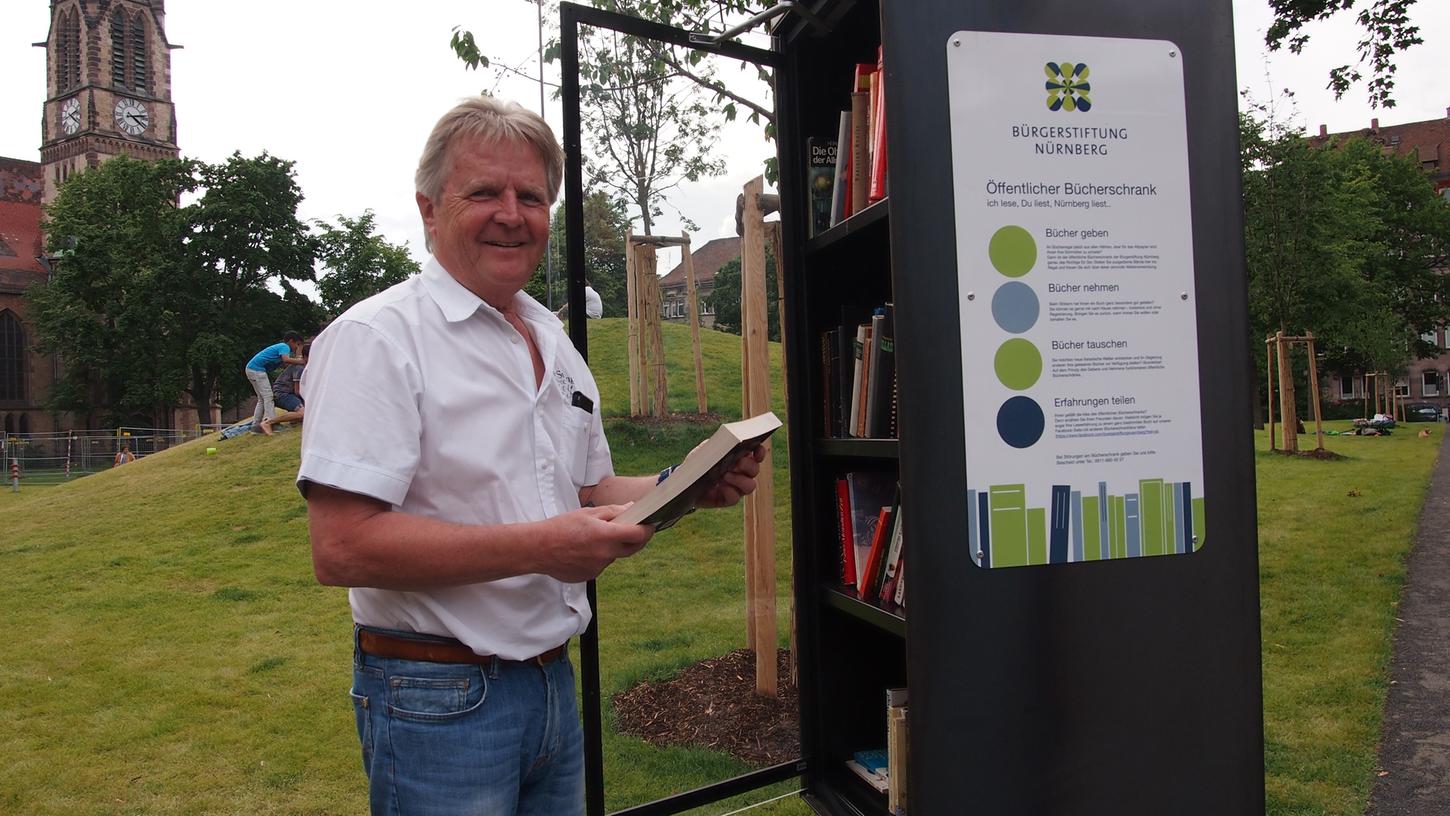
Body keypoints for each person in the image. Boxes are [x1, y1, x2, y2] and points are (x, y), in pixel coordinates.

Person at [296, 96, 763, 816]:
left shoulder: (553, 339)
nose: (511, 213)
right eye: (484, 192)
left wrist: (686, 485)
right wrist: (546, 548)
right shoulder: (377, 340)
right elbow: (343, 548)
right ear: (428, 208)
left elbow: (585, 490)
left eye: (532, 196)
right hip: (437, 698)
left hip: (551, 685)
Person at [245, 331, 304, 432]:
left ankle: (256, 425)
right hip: (257, 370)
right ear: (291, 341)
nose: (297, 348)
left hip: (251, 369)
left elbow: (286, 363)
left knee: (262, 399)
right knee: (268, 397)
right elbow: (286, 360)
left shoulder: (282, 348)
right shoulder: (284, 347)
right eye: (297, 344)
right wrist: (302, 361)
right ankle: (273, 423)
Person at [259, 343, 308, 436]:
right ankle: (268, 422)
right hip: (282, 394)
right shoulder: (300, 368)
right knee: (304, 413)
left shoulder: (305, 367)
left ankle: (294, 420)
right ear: (305, 357)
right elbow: (298, 391)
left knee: (307, 412)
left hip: (289, 393)